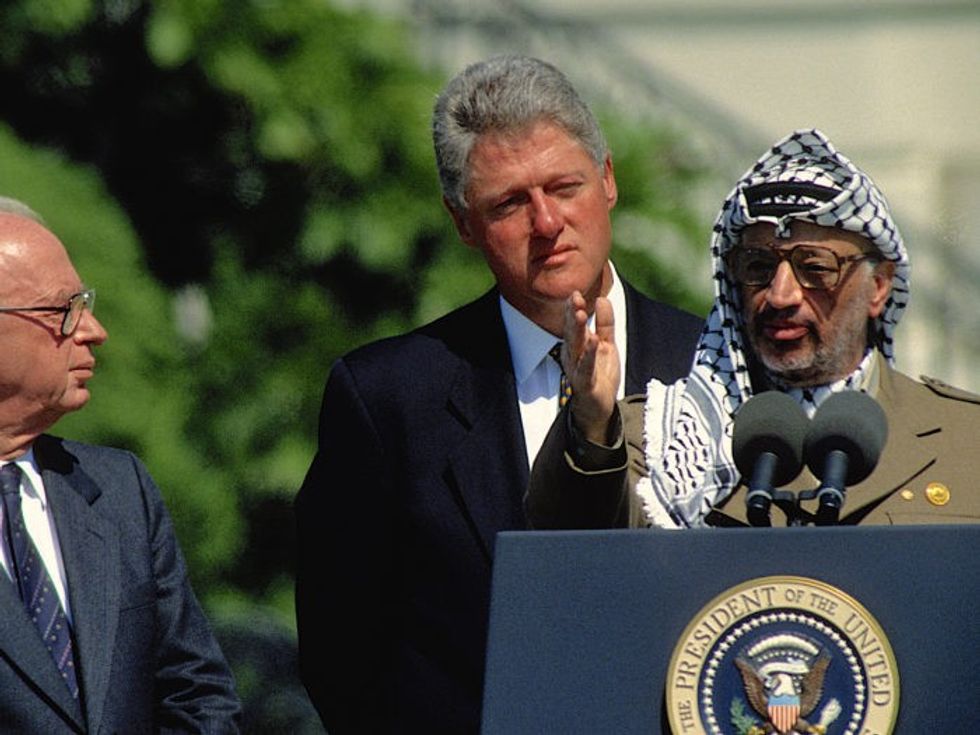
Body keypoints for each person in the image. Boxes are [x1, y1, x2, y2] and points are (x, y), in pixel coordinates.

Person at [294, 55, 703, 733]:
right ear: (463, 223)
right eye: (510, 203)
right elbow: (342, 657)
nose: (546, 222)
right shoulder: (387, 401)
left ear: (607, 180)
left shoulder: (712, 366)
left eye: (564, 186)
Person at [527, 128, 980, 529]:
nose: (780, 295)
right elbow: (569, 550)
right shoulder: (658, 439)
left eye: (815, 268)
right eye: (758, 267)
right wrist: (591, 422)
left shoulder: (965, 437)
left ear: (878, 287)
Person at [0, 199, 242, 731]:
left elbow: (199, 694)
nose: (94, 330)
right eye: (63, 310)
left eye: (85, 303)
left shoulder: (118, 489)